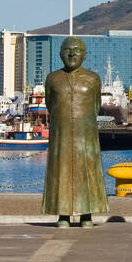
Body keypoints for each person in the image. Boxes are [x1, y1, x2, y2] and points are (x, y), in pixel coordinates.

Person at [42, 37, 107, 227]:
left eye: (77, 50)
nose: (72, 53)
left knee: (88, 171)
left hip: (86, 135)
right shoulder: (53, 79)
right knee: (60, 172)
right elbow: (50, 104)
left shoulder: (93, 78)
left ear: (85, 55)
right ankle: (63, 215)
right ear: (60, 54)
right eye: (67, 50)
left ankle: (87, 214)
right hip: (60, 134)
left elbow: (96, 106)